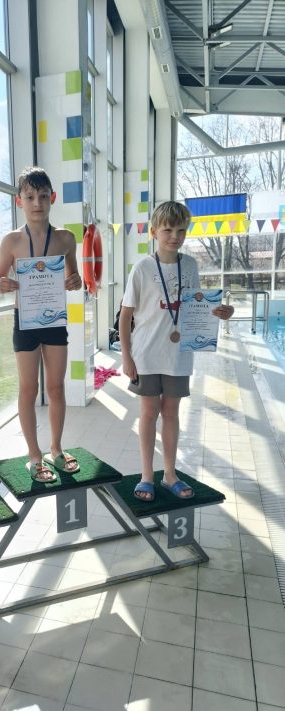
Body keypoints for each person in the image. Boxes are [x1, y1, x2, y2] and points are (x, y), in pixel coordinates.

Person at [119, 201, 234, 501]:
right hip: (146, 353)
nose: (175, 236)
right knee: (148, 413)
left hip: (178, 354)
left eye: (181, 230)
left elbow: (195, 306)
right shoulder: (142, 268)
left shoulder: (191, 265)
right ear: (154, 232)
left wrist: (220, 311)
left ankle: (169, 474)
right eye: (168, 230)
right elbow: (125, 316)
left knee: (171, 412)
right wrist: (126, 357)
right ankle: (147, 476)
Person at [0, 167, 82, 482]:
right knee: (28, 388)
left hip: (55, 320)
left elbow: (74, 277)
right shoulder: (12, 241)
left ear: (52, 198)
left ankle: (56, 449)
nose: (37, 203)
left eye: (43, 196)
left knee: (56, 387)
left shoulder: (65, 238)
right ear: (19, 201)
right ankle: (33, 454)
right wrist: (2, 285)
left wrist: (75, 280)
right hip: (25, 321)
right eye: (30, 197)